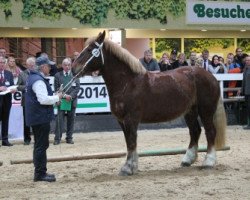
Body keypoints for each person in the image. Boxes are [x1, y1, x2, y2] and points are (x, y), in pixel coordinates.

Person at [25, 56, 62, 182]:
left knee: (39, 145)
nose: (50, 67)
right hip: (40, 118)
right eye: (48, 65)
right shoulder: (38, 80)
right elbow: (43, 99)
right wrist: (57, 97)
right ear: (43, 67)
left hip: (37, 117)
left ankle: (40, 171)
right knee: (41, 145)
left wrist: (54, 97)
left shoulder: (33, 77)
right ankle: (40, 173)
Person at [54, 58, 80, 145]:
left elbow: (77, 88)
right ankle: (57, 138)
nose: (67, 67)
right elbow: (56, 88)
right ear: (62, 66)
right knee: (59, 120)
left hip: (72, 101)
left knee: (71, 120)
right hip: (61, 101)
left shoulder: (75, 75)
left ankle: (69, 138)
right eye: (65, 65)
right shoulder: (57, 75)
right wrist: (65, 96)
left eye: (69, 65)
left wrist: (71, 96)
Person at [17, 57, 36, 145]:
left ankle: (37, 137)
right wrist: (27, 87)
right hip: (26, 101)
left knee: (36, 120)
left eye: (33, 65)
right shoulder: (22, 74)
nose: (32, 66)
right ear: (27, 65)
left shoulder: (37, 73)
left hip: (36, 101)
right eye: (30, 65)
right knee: (26, 121)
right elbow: (18, 86)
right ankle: (27, 139)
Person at [0, 56, 15, 146]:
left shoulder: (9, 73)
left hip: (6, 100)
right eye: (0, 62)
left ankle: (5, 139)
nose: (1, 64)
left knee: (5, 120)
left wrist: (13, 89)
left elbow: (12, 85)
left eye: (2, 63)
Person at [238, 56, 250, 129]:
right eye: (246, 60)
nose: (247, 61)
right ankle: (249, 124)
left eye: (249, 60)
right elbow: (244, 82)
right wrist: (241, 90)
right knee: (248, 108)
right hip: (246, 92)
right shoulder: (245, 70)